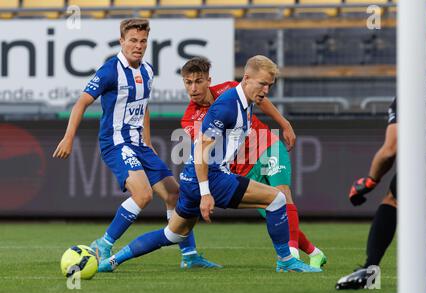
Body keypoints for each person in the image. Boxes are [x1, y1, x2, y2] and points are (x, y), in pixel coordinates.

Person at [98, 55, 323, 273]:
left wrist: (283, 123)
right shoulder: (226, 105)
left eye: (269, 85)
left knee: (172, 235)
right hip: (211, 178)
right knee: (277, 199)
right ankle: (286, 262)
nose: (266, 90)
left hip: (191, 180)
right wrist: (206, 193)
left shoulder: (241, 98)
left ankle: (112, 261)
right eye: (263, 84)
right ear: (246, 79)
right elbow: (201, 150)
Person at [53, 18, 220, 269]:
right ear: (121, 41)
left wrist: (148, 140)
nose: (138, 45)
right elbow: (81, 103)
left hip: (139, 145)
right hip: (116, 143)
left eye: (142, 41)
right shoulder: (110, 71)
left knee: (176, 194)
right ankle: (104, 243)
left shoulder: (148, 70)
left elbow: (144, 106)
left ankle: (189, 256)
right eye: (132, 40)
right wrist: (68, 137)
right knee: (142, 194)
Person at [180, 57, 327, 268]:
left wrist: (284, 123)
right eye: (188, 82)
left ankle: (291, 258)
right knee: (274, 211)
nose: (194, 88)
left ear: (208, 81)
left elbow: (261, 99)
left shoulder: (231, 89)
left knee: (283, 196)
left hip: (266, 146)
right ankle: (314, 252)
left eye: (199, 81)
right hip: (241, 165)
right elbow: (207, 149)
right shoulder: (189, 118)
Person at [336, 28, 426, 290]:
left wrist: (370, 180)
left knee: (393, 200)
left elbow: (390, 149)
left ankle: (369, 271)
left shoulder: (411, 90)